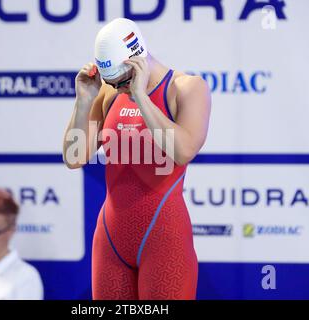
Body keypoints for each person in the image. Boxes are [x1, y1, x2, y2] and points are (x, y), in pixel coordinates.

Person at [63, 17, 211, 300]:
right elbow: (73, 157)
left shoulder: (187, 88)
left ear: (138, 58)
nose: (120, 89)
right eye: (113, 82)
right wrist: (83, 102)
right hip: (111, 239)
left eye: (124, 81)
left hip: (164, 239)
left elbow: (184, 151)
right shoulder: (108, 92)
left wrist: (141, 97)